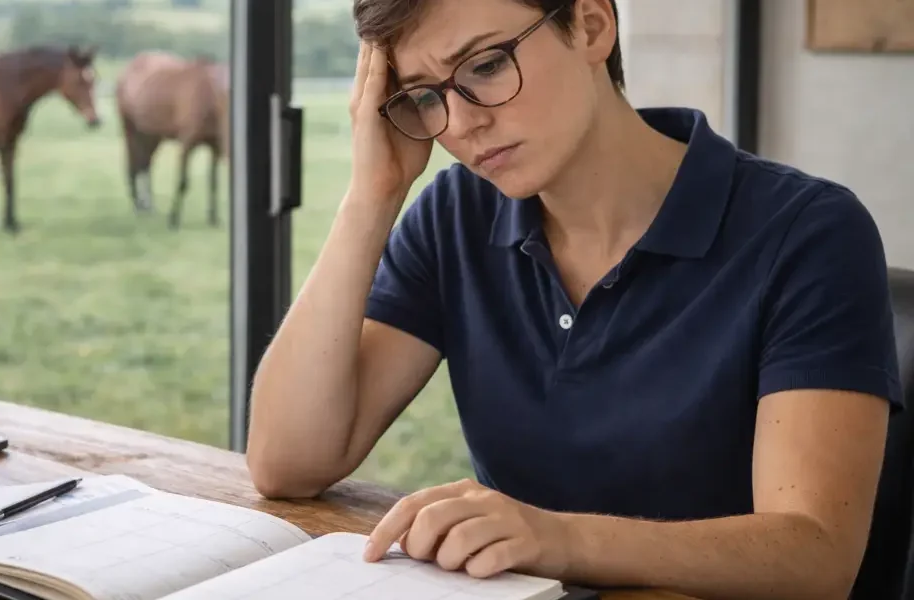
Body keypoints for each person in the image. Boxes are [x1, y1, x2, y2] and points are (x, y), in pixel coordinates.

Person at [245, 0, 902, 598]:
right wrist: (373, 196)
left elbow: (816, 557)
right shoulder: (455, 217)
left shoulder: (809, 234)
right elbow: (286, 461)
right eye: (424, 96)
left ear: (591, 25)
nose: (464, 122)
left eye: (487, 64)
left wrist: (558, 540)